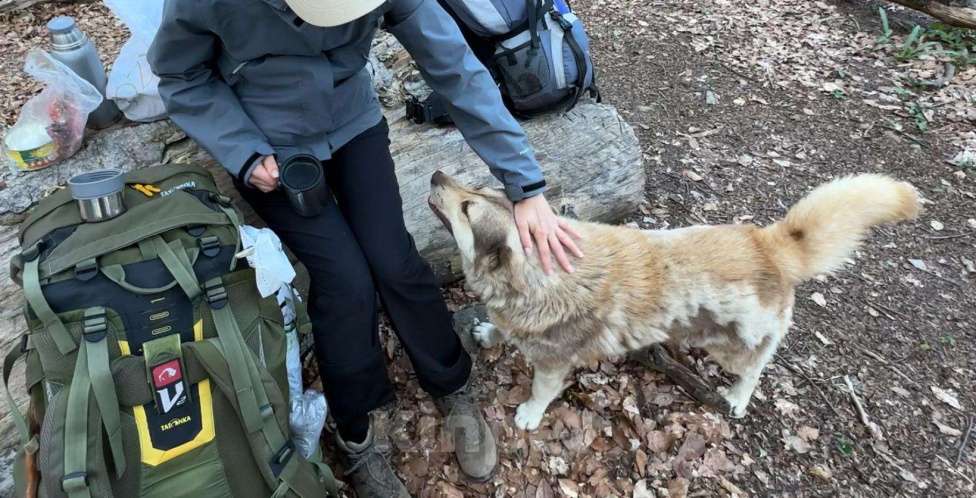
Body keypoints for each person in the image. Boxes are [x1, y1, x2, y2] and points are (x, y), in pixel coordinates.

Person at [149, 0, 582, 495]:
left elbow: (456, 70)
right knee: (345, 281)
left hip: (352, 123)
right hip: (272, 146)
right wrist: (243, 151)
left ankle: (451, 382)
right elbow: (181, 76)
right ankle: (355, 429)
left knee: (394, 259)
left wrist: (525, 187)